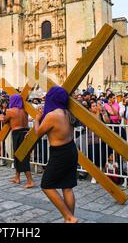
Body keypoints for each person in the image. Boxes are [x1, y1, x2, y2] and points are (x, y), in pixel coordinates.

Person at [33, 86, 78, 224]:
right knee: (67, 186)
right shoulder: (67, 112)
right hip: (71, 149)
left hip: (60, 153)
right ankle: (69, 219)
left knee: (46, 185)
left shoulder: (52, 115)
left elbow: (38, 133)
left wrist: (36, 119)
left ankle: (69, 217)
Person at [2, 94, 34, 189]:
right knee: (18, 155)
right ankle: (17, 177)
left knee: (21, 157)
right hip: (25, 132)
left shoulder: (10, 111)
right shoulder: (25, 111)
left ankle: (30, 180)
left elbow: (5, 121)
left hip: (17, 133)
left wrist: (1, 116)